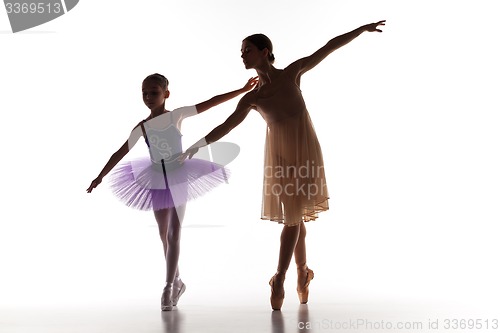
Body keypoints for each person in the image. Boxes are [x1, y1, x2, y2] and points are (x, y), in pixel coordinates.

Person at [179, 21, 386, 310]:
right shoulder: (253, 98)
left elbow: (329, 47)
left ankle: (294, 275)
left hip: (306, 152)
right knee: (293, 217)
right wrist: (195, 146)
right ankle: (289, 275)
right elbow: (226, 125)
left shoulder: (292, 73)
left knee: (297, 215)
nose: (242, 55)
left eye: (247, 50)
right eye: (241, 51)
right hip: (281, 160)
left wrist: (362, 29)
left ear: (265, 52)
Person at [87, 73, 258, 311]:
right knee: (163, 234)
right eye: (144, 93)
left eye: (154, 92)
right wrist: (100, 175)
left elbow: (211, 102)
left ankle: (168, 286)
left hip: (178, 176)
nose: (148, 97)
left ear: (166, 93)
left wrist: (241, 91)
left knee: (174, 233)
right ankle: (177, 280)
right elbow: (120, 152)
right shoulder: (142, 126)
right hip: (156, 179)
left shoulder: (176, 115)